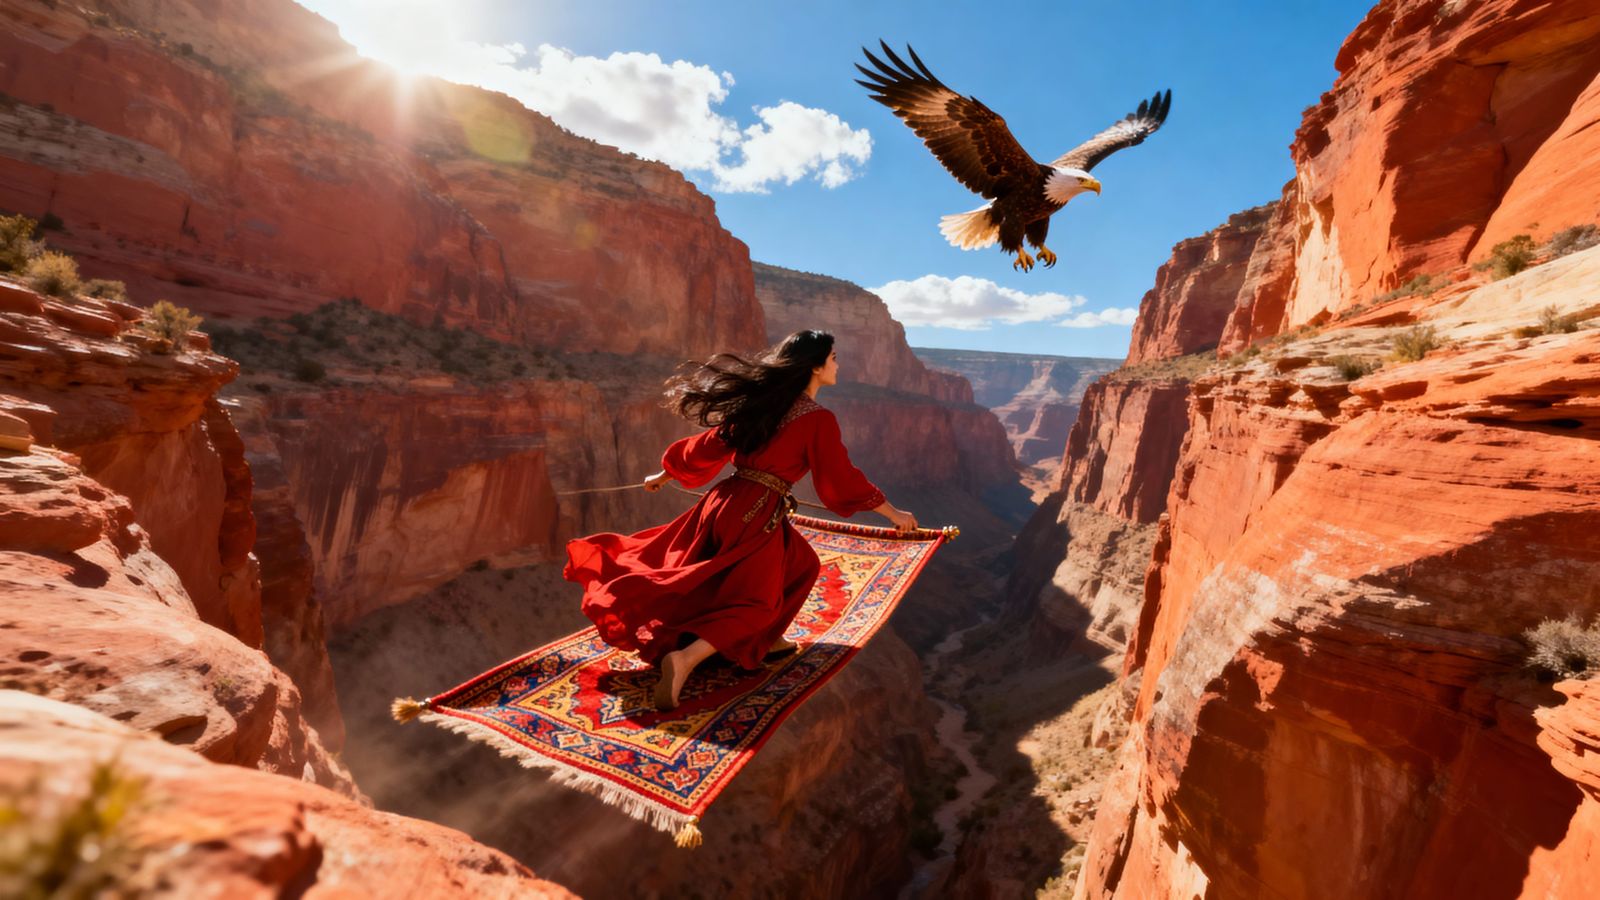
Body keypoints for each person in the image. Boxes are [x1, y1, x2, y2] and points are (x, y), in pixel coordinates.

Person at [562, 330, 919, 711]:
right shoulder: (817, 419)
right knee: (756, 602)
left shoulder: (763, 405)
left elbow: (710, 444)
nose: (838, 364)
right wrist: (893, 513)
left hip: (725, 500)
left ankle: (766, 640)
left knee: (801, 565)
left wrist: (664, 474)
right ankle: (686, 659)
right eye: (833, 357)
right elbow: (841, 477)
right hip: (756, 510)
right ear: (815, 367)